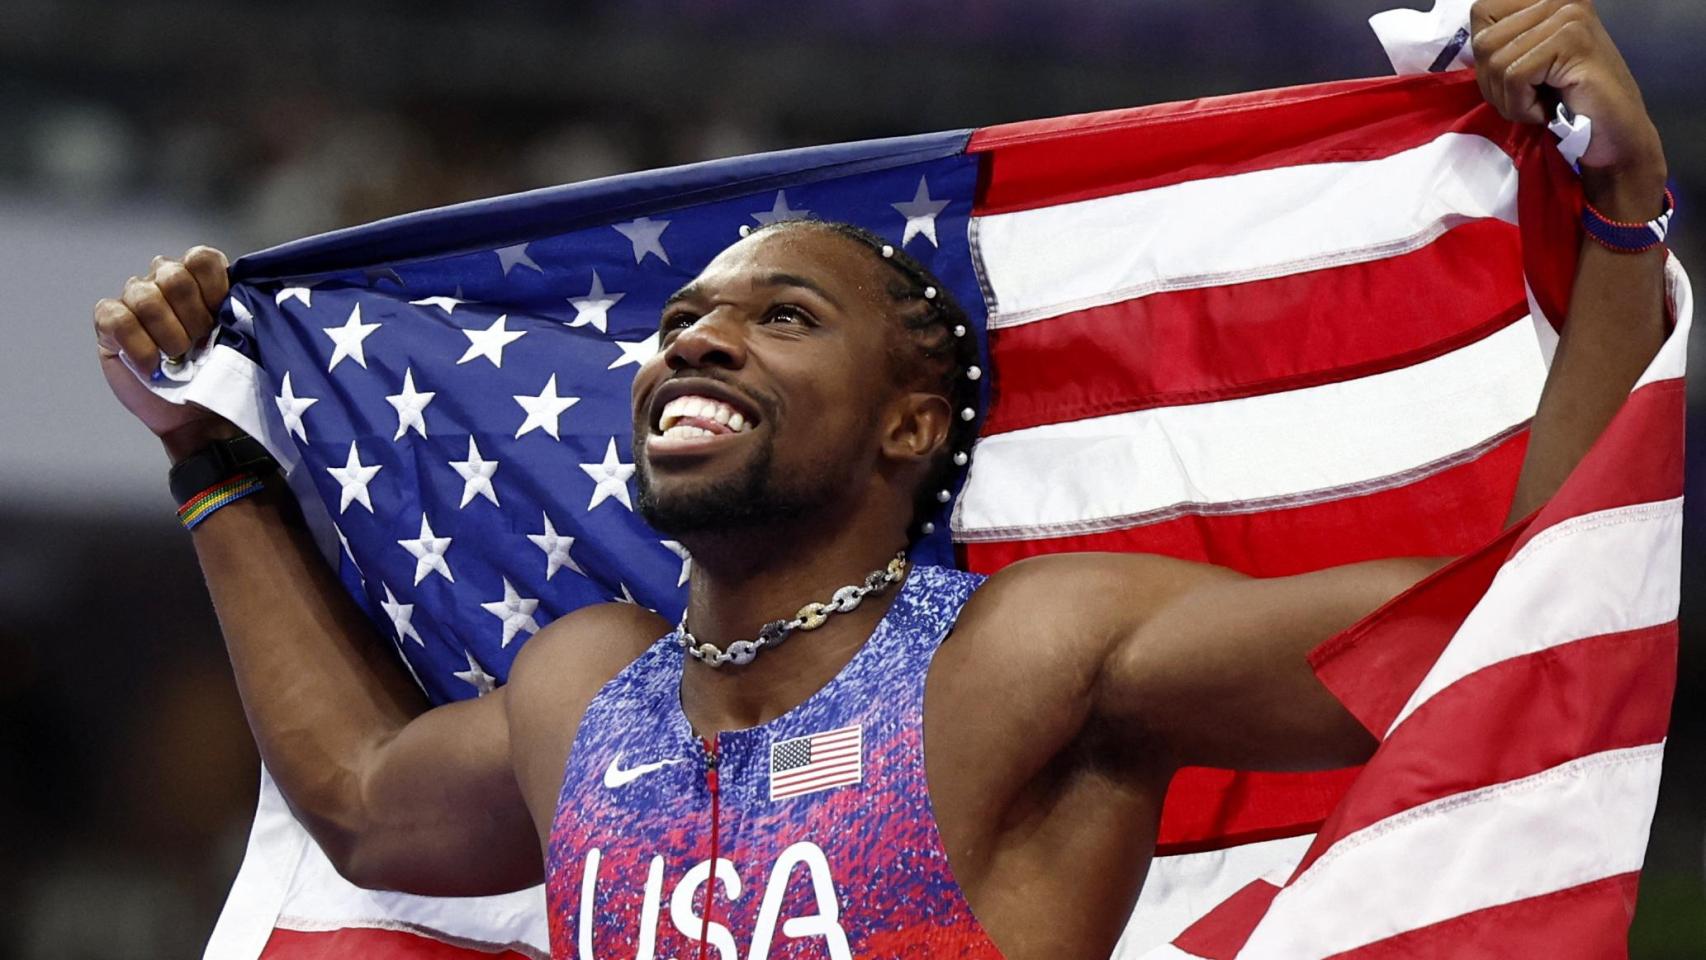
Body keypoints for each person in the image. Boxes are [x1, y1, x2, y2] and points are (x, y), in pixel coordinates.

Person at [92, 2, 1675, 956]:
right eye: (682, 321)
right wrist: (217, 462)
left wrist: (1613, 219)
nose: (697, 346)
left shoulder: (1029, 657)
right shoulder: (584, 687)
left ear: (911, 427)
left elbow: (1496, 637)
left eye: (779, 318)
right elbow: (367, 810)